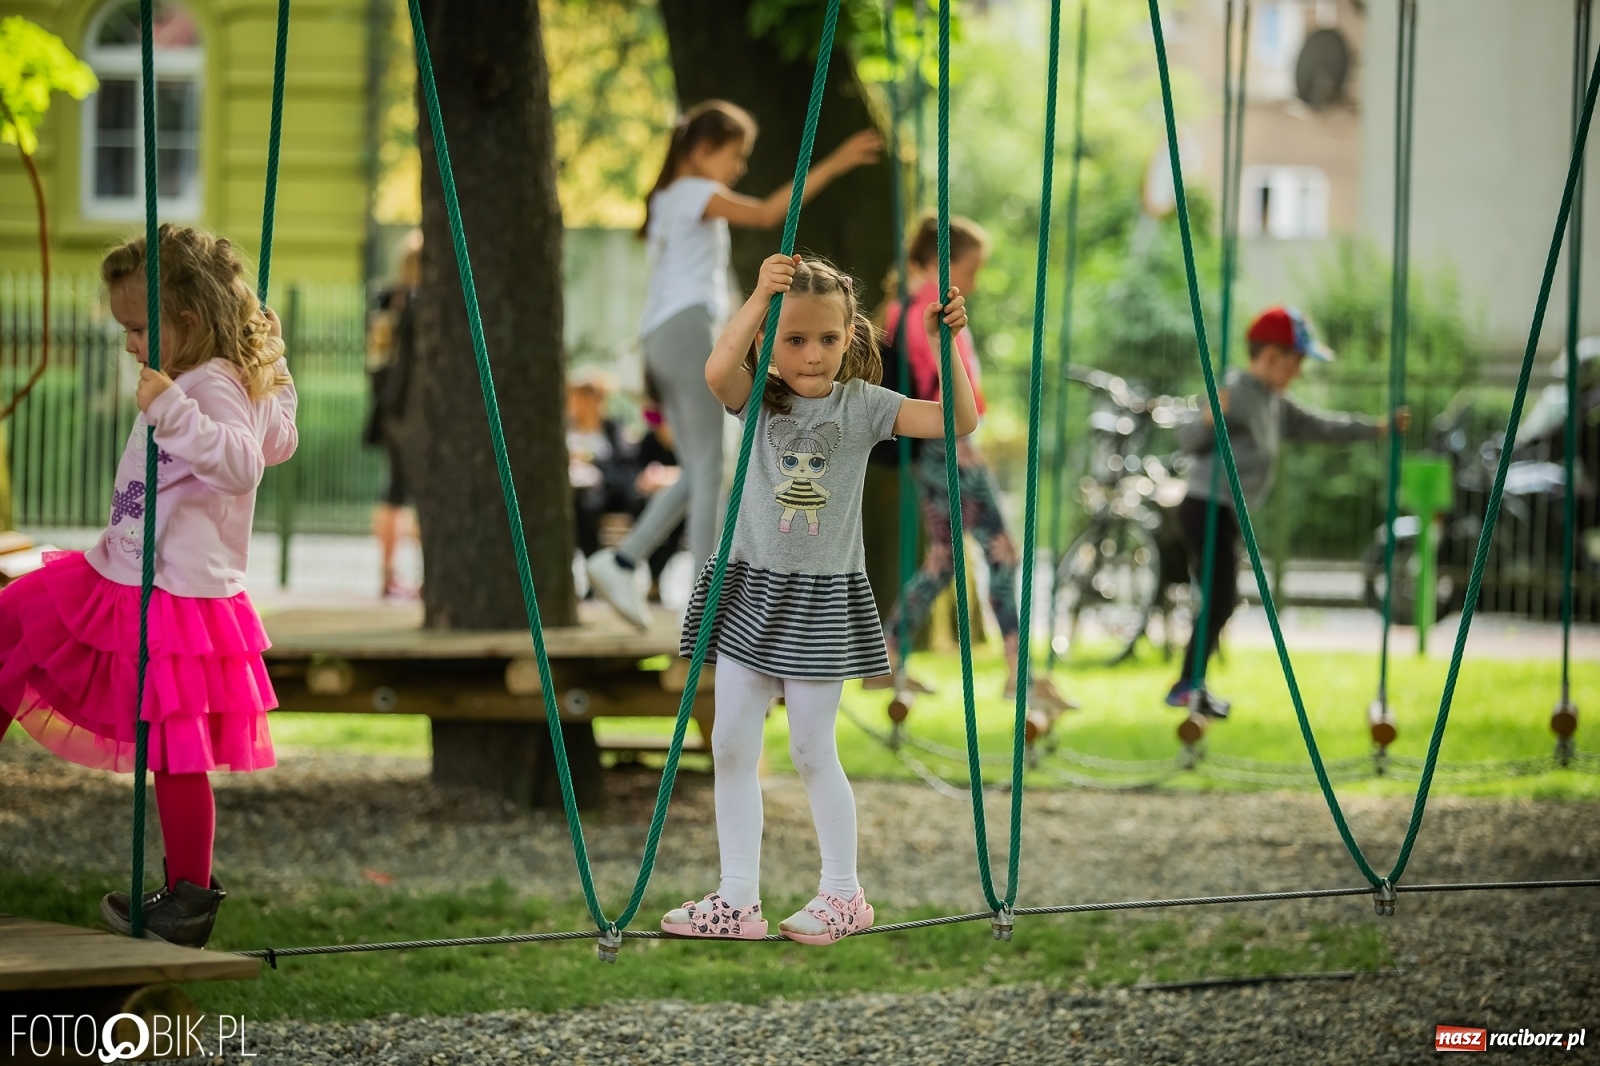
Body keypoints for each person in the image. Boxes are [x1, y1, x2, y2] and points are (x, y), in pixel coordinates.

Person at [662, 252, 977, 944]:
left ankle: (843, 893)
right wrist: (756, 299)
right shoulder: (758, 397)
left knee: (811, 749)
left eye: (828, 339)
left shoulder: (862, 407)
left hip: (818, 602)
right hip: (751, 589)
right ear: (770, 340)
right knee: (732, 744)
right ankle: (738, 897)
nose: (812, 354)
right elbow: (718, 369)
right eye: (794, 339)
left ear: (849, 335)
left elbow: (960, 421)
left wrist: (948, 343)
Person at [0, 225, 297, 947]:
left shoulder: (209, 384)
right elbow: (277, 438)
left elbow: (244, 464)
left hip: (166, 590)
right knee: (13, 621)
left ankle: (189, 899)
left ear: (186, 322)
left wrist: (173, 406)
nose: (131, 344)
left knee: (176, 749)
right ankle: (187, 896)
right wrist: (280, 383)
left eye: (139, 329)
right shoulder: (228, 378)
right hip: (132, 569)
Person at [585, 99, 882, 629]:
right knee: (714, 468)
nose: (739, 167)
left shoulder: (666, 199)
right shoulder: (697, 191)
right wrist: (835, 164)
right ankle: (703, 605)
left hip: (661, 334)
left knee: (706, 466)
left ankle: (624, 558)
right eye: (735, 154)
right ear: (702, 150)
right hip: (686, 327)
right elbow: (769, 213)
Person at [871, 215, 1076, 713]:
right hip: (949, 446)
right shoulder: (928, 309)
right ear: (945, 263)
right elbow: (943, 382)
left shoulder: (902, 306)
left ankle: (888, 658)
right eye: (971, 267)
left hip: (930, 448)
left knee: (943, 559)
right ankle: (1016, 672)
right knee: (1003, 551)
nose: (976, 280)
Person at [1168, 305, 1408, 716]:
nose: (1298, 372)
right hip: (1205, 505)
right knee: (1222, 598)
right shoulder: (1237, 388)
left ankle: (1192, 684)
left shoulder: (1273, 402)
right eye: (1296, 362)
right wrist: (1210, 418)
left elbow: (1322, 427)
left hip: (1224, 510)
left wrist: (1377, 428)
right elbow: (1187, 439)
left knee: (1220, 598)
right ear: (1271, 357)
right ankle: (1187, 686)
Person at [365, 231, 421, 599]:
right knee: (410, 491)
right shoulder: (419, 303)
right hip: (411, 409)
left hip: (388, 406)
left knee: (394, 491)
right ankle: (403, 575)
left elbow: (375, 357)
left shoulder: (385, 303)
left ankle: (388, 574)